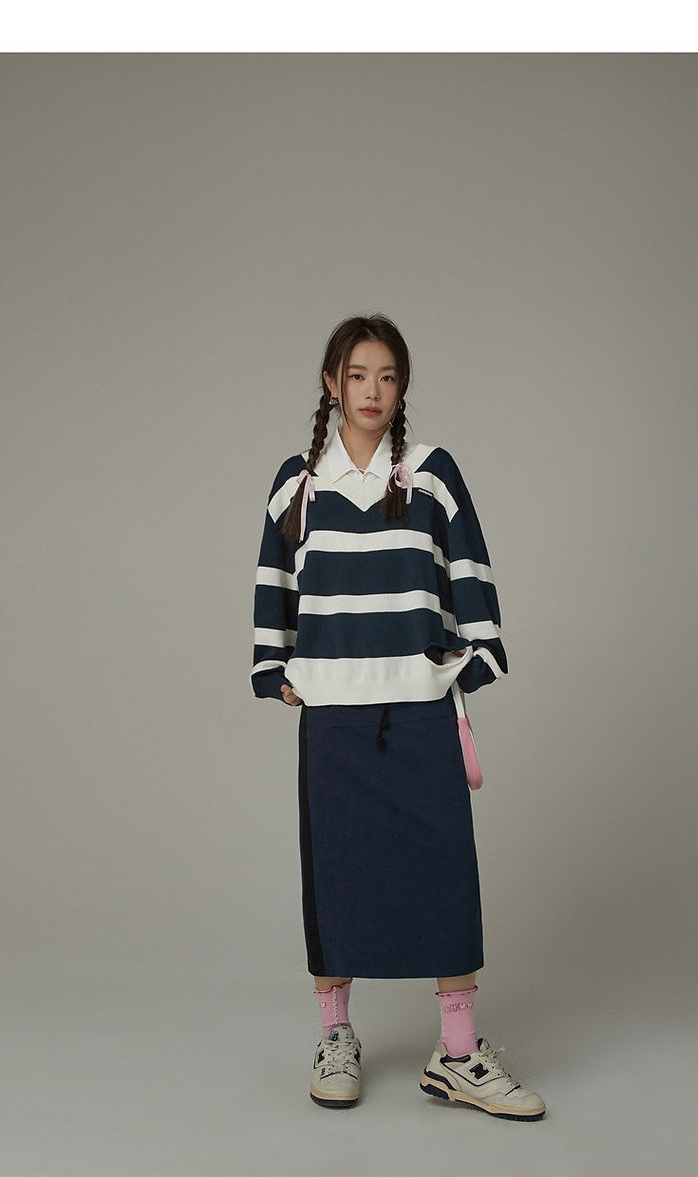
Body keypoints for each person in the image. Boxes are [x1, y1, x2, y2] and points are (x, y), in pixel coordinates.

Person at [251, 313, 545, 1120]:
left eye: (386, 376)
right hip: (334, 718)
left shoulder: (431, 474)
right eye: (356, 375)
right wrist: (273, 668)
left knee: (445, 874)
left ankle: (458, 1053)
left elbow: (469, 569)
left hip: (419, 711)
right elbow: (276, 580)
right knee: (335, 875)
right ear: (331, 384)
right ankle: (335, 1037)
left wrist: (476, 656)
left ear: (402, 385)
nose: (371, 391)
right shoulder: (297, 483)